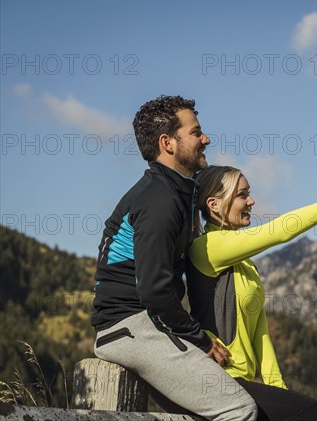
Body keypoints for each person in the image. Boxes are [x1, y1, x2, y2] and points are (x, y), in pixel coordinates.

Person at [91, 96, 258, 421]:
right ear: (167, 143)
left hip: (140, 325)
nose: (206, 139)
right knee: (239, 410)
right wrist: (200, 340)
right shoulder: (160, 200)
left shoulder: (173, 192)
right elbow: (154, 290)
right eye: (196, 132)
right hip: (130, 327)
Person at [186, 165, 317, 421]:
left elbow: (260, 332)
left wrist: (279, 390)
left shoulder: (246, 265)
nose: (251, 201)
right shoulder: (207, 248)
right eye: (242, 195)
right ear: (214, 204)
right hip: (221, 382)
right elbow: (282, 230)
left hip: (244, 384)